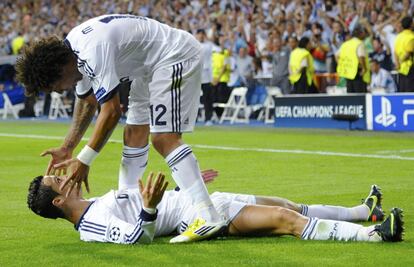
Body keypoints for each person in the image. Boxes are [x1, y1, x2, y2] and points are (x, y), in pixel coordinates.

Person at [15, 14, 225, 243]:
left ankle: (208, 215)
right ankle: (131, 202)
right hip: (148, 67)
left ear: (58, 70)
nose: (59, 91)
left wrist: (84, 159)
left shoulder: (92, 49)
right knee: (133, 133)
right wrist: (67, 147)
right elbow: (87, 102)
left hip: (174, 55)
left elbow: (112, 111)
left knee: (163, 138)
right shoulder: (75, 53)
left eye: (54, 86)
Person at [27, 171, 404, 245]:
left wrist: (185, 184)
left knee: (286, 203)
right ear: (59, 202)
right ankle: (374, 234)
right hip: (200, 216)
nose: (62, 177)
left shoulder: (92, 203)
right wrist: (150, 208)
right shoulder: (92, 224)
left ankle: (361, 212)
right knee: (286, 220)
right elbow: (132, 238)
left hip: (198, 199)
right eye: (56, 182)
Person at [336, 25, 370, 93]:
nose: (365, 35)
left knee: (351, 94)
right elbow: (361, 56)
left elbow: (336, 55)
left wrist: (342, 64)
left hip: (348, 72)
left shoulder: (345, 44)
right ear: (360, 33)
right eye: (364, 33)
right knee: (360, 95)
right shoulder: (359, 43)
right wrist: (364, 68)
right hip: (358, 73)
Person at [196, 29, 215, 126]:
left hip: (206, 75)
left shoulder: (209, 46)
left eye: (203, 34)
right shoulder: (192, 44)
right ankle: (193, 119)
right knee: (193, 99)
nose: (201, 36)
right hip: (195, 75)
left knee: (208, 98)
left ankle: (208, 118)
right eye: (199, 34)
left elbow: (212, 60)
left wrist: (212, 76)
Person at [394, 16, 414, 92]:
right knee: (410, 91)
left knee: (403, 90)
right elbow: (408, 53)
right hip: (410, 68)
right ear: (411, 24)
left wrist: (397, 64)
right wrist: (401, 61)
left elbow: (395, 52)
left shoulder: (398, 36)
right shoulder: (411, 37)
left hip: (401, 69)